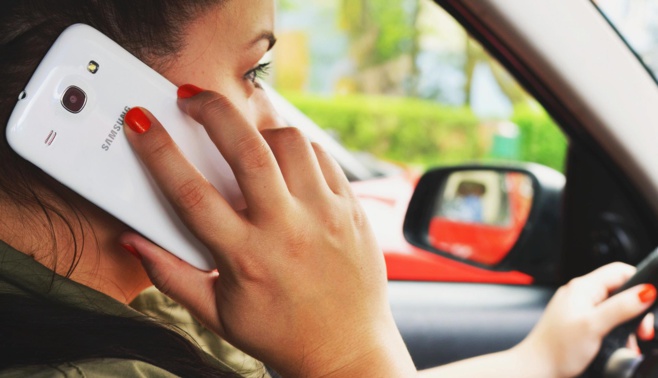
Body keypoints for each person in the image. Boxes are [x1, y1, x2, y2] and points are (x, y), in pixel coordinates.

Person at [0, 1, 655, 377]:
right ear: (111, 90)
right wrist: (350, 350)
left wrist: (536, 360)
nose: (279, 124)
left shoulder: (143, 299)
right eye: (253, 69)